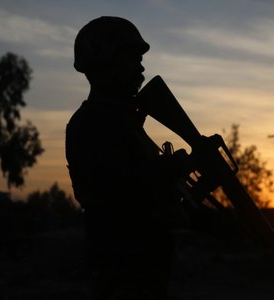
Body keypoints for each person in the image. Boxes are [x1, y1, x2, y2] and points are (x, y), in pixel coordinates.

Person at [65, 16, 186, 300]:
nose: (141, 67)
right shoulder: (90, 124)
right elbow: (118, 190)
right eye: (132, 58)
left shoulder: (125, 122)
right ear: (106, 62)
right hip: (122, 271)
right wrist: (169, 170)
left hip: (143, 268)